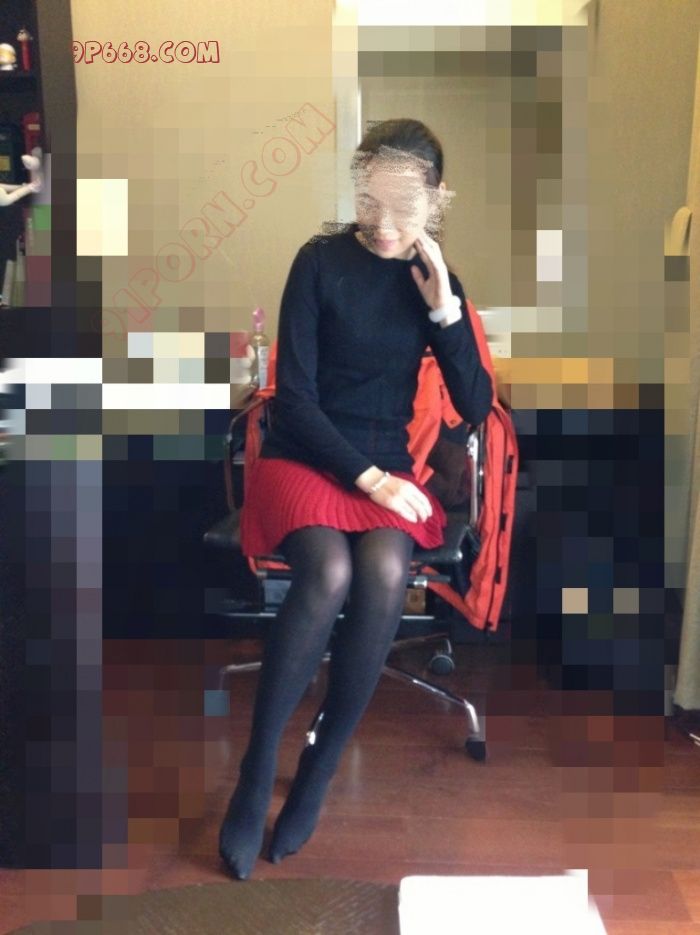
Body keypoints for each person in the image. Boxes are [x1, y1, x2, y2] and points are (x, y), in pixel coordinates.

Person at [218, 118, 493, 880]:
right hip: (306, 458)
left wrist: (444, 311)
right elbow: (295, 402)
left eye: (405, 207)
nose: (385, 223)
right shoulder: (318, 263)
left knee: (382, 570)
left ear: (437, 201)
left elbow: (474, 404)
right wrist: (372, 479)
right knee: (329, 571)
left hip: (385, 470)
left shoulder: (433, 280)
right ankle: (256, 768)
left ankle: (319, 764)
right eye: (371, 201)